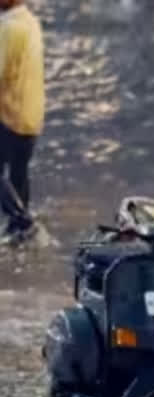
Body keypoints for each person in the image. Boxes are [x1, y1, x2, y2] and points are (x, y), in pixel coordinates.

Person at [0, 0, 43, 232]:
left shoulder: (9, 28)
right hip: (31, 115)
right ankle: (21, 234)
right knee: (19, 174)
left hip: (10, 115)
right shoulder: (30, 22)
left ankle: (21, 219)